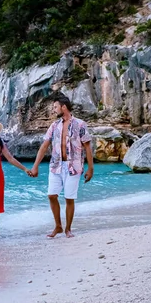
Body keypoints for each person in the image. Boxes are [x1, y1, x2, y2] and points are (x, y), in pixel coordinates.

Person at [31, 95, 93, 238]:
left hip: (74, 167)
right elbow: (44, 145)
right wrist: (35, 166)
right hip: (56, 166)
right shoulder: (54, 126)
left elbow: (87, 147)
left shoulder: (80, 124)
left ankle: (68, 229)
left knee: (69, 198)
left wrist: (91, 169)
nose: (54, 110)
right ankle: (58, 226)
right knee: (52, 195)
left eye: (55, 107)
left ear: (63, 107)